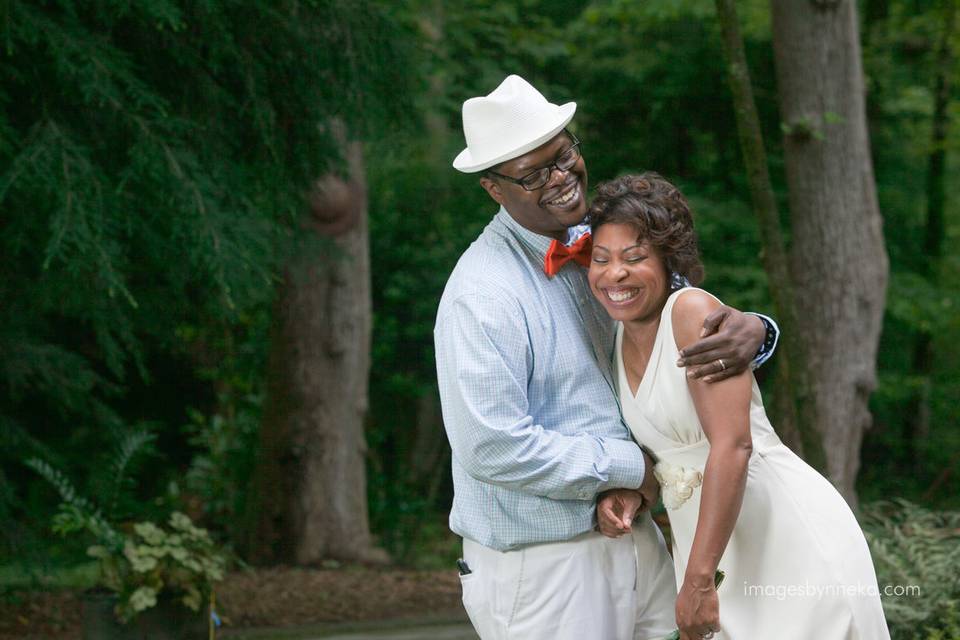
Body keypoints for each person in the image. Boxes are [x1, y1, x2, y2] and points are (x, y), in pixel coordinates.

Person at [434, 75, 779, 640]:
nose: (560, 178)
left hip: (639, 540)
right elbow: (491, 445)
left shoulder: (606, 246)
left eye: (564, 155)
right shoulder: (483, 294)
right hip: (544, 565)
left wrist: (759, 330)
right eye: (533, 173)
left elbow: (687, 323)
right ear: (494, 189)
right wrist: (633, 468)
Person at [588, 172, 890, 640]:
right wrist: (636, 489)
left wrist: (698, 579)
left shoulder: (691, 313)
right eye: (601, 259)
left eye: (635, 257)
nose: (615, 274)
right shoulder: (616, 336)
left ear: (669, 260)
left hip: (778, 533)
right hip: (710, 544)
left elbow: (733, 446)